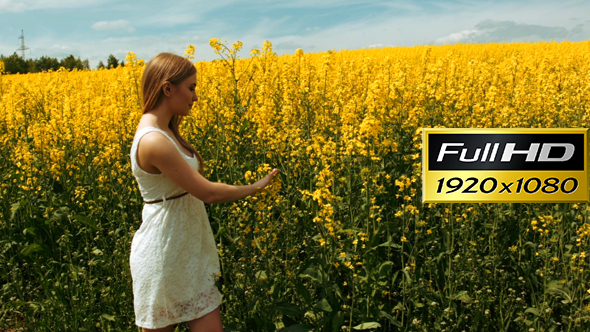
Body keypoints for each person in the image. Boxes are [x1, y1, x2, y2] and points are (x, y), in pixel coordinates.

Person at [129, 52, 278, 332]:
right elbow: (208, 193)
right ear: (167, 88)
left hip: (187, 250)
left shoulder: (166, 130)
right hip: (163, 253)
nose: (195, 97)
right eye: (191, 88)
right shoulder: (153, 141)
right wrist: (255, 187)